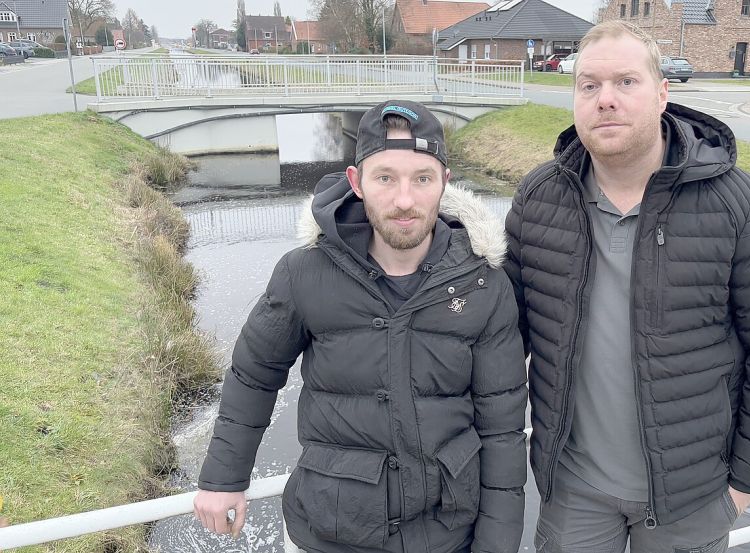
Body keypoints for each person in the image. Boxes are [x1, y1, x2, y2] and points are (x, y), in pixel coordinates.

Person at [504, 21, 750, 553]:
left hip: (690, 497)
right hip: (574, 490)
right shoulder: (540, 198)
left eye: (626, 82)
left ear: (663, 92)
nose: (606, 100)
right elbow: (503, 333)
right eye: (589, 85)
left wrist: (745, 484)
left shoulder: (741, 205)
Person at [194, 100, 528, 553]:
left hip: (448, 534)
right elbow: (254, 374)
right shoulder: (303, 273)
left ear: (444, 183)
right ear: (357, 182)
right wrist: (223, 478)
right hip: (334, 532)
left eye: (422, 179)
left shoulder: (484, 283)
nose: (404, 200)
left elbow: (502, 429)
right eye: (385, 178)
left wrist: (497, 544)